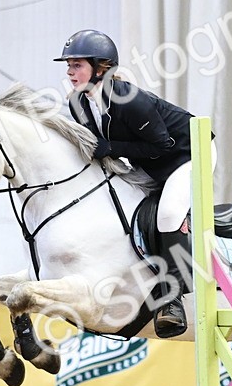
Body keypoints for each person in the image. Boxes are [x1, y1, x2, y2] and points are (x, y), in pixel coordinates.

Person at [54, 29, 199, 338]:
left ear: (101, 68)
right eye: (68, 65)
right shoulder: (78, 102)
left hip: (187, 155)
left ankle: (172, 299)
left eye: (77, 65)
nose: (69, 72)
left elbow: (162, 145)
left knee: (169, 215)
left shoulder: (130, 100)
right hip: (148, 160)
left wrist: (112, 148)